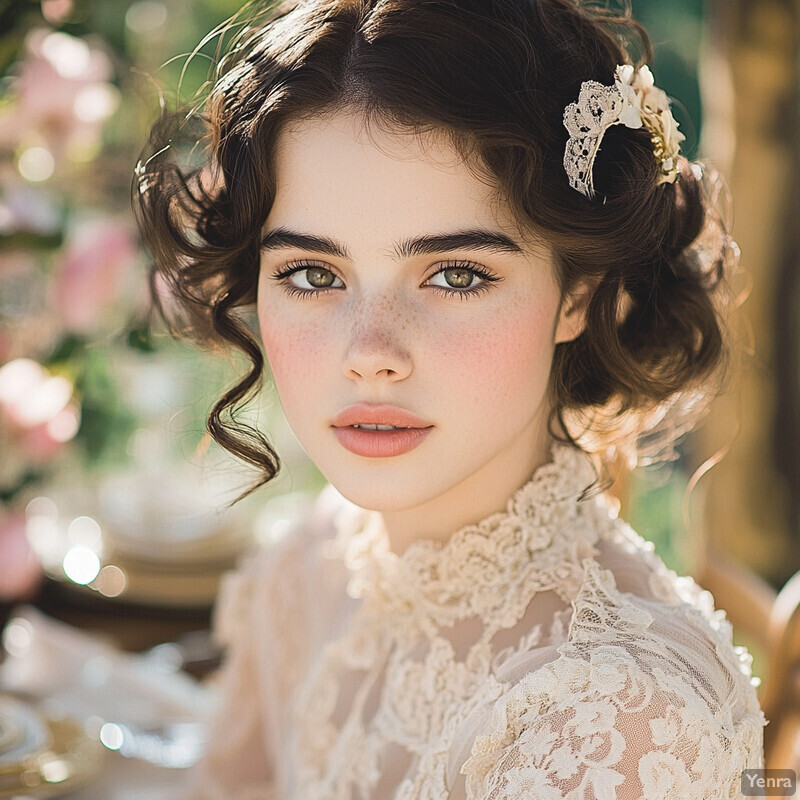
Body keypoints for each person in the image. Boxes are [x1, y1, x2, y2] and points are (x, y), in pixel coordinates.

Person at [134, 0, 766, 797]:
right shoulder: (309, 569)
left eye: (456, 275)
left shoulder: (618, 722)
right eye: (313, 274)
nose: (370, 356)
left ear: (578, 295)